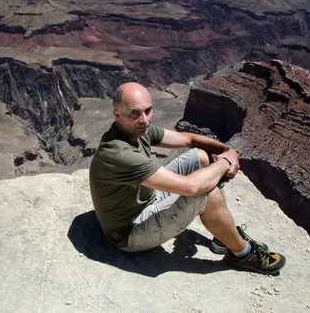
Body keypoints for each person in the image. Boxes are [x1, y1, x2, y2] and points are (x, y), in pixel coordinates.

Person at [89, 82, 286, 275]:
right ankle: (243, 254)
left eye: (148, 111)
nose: (145, 120)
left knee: (201, 156)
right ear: (117, 114)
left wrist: (225, 150)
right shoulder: (118, 153)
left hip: (146, 200)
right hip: (130, 232)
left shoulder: (136, 129)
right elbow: (190, 187)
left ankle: (223, 237)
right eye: (135, 113)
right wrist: (226, 162)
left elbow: (187, 139)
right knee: (206, 191)